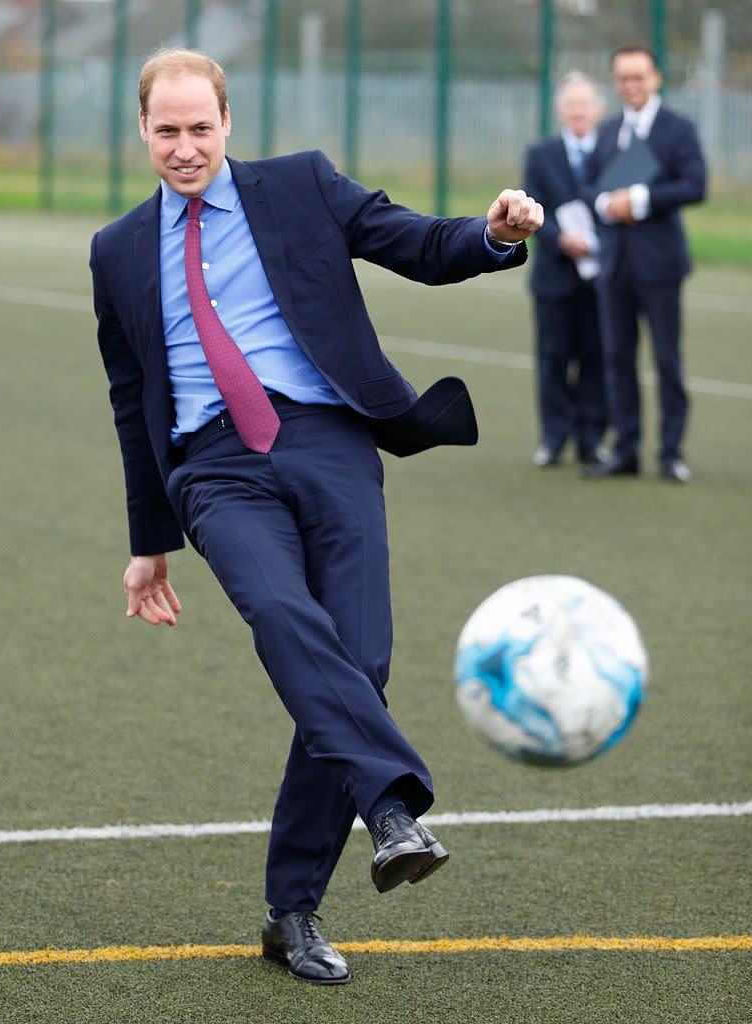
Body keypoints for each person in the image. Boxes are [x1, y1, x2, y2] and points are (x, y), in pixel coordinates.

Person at [90, 48, 543, 986]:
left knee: (358, 661)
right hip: (214, 466)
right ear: (142, 130)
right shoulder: (117, 249)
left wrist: (492, 234)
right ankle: (390, 813)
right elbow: (131, 399)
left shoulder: (302, 185)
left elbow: (416, 243)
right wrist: (148, 547)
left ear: (228, 123)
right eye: (166, 131)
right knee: (285, 617)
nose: (185, 148)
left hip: (328, 439)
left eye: (200, 128)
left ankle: (288, 911)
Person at [582, 46, 707, 482]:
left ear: (655, 78)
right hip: (614, 265)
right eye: (623, 78)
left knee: (667, 360)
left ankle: (671, 452)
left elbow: (696, 185)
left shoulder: (678, 129)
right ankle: (626, 450)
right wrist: (603, 202)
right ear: (616, 83)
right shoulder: (608, 129)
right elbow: (591, 186)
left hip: (660, 265)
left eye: (639, 77)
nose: (631, 85)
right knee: (617, 359)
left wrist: (638, 200)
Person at [523, 71, 608, 468]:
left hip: (602, 276)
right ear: (561, 110)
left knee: (597, 356)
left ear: (598, 110)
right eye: (572, 104)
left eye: (585, 104)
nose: (579, 111)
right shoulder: (540, 154)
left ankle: (592, 439)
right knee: (553, 357)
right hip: (554, 274)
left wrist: (598, 241)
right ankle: (554, 438)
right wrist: (560, 238)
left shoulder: (614, 152)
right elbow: (531, 206)